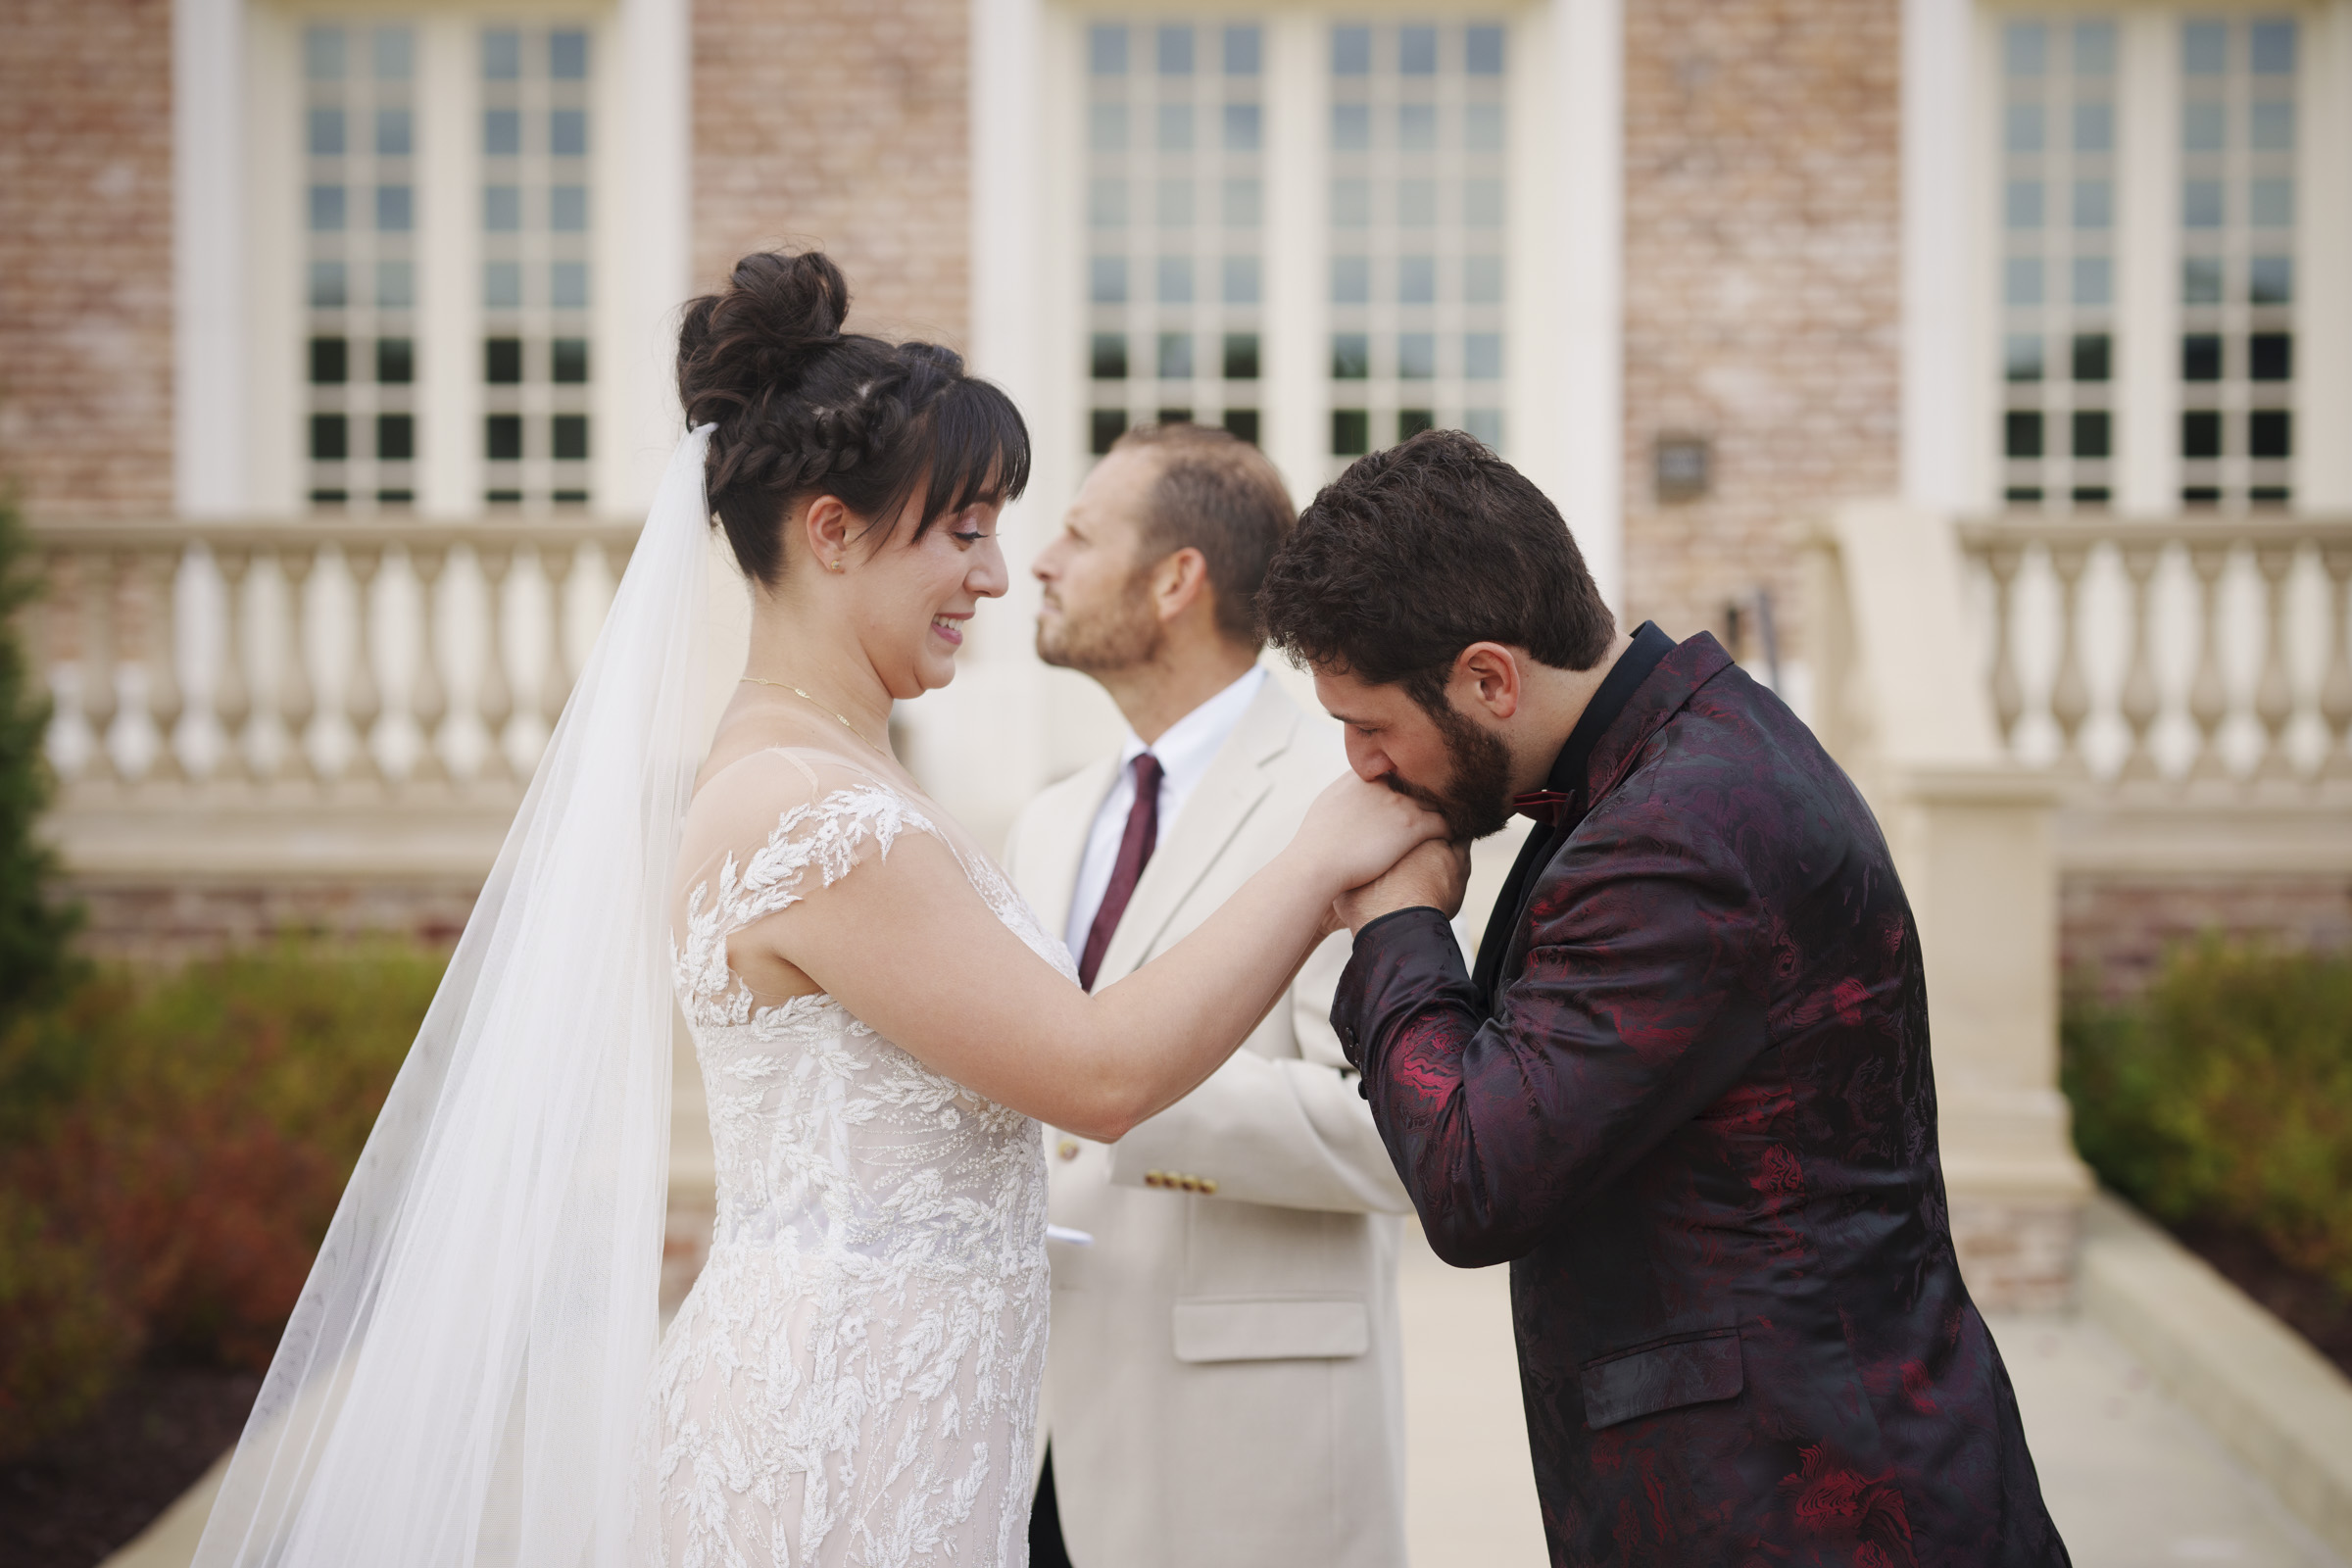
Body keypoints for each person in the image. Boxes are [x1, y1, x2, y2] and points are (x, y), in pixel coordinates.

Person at [189, 253, 1441, 1568]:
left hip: (911, 1424)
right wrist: (1319, 865)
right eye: (962, 530)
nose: (999, 576)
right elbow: (1101, 1070)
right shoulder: (813, 815)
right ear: (832, 532)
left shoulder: (838, 775)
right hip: (843, 1447)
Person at [1256, 429, 2071, 1567]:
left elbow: (1474, 1175)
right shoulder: (1678, 755)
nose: (1361, 766)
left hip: (1807, 1512)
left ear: (1490, 675)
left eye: (1369, 726)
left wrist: (1394, 924)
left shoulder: (1672, 835)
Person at [1005, 422, 1412, 1568]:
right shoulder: (1048, 819)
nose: (1040, 561)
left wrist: (1117, 1083)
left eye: (1079, 535)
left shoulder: (1353, 798)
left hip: (1251, 1460)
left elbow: (1410, 1132)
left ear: (1176, 578)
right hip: (1031, 1441)